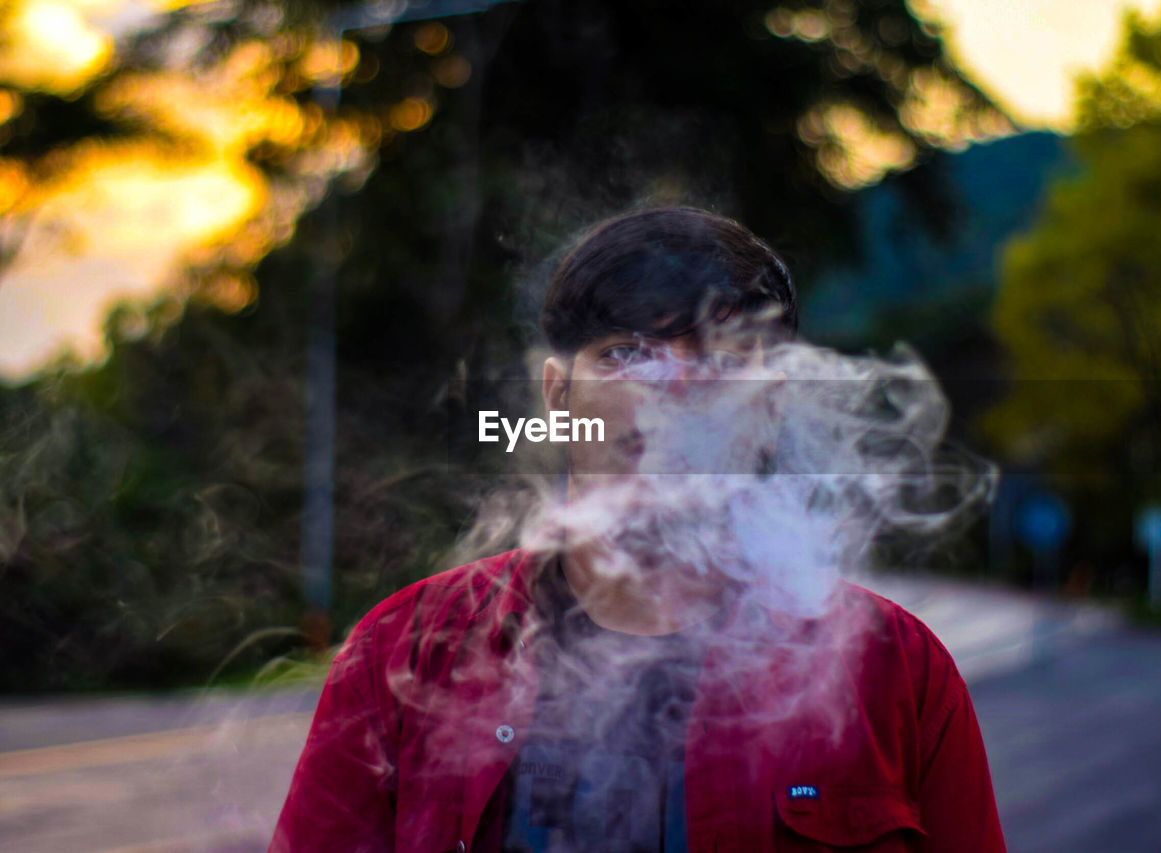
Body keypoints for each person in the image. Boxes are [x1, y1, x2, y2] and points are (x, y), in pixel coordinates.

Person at [270, 207, 1007, 852]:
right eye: (626, 352)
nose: (674, 388)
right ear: (558, 396)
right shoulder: (400, 655)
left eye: (719, 356)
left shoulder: (898, 674)